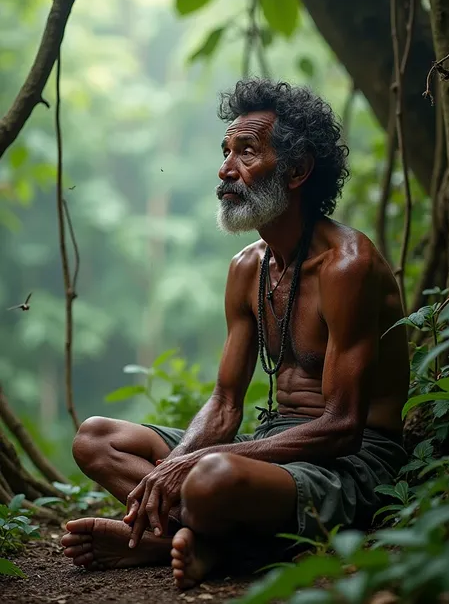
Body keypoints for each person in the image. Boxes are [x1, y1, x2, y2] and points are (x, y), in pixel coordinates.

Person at [61, 79, 409, 589]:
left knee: (213, 476)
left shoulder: (346, 266)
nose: (226, 170)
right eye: (226, 152)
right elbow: (226, 404)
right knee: (96, 438)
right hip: (271, 449)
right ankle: (190, 535)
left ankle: (203, 542)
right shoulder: (248, 267)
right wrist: (170, 469)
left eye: (247, 152)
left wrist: (201, 463)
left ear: (297, 170)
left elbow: (342, 426)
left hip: (350, 463)